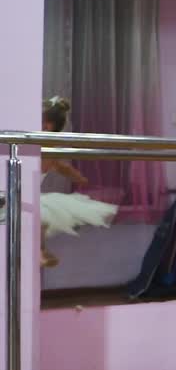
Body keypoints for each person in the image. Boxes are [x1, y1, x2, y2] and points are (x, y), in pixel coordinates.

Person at [38, 97, 118, 267]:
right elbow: (62, 168)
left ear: (47, 126)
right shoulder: (45, 148)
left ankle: (40, 251)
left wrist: (78, 177)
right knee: (40, 218)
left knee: (41, 219)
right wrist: (78, 177)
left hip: (28, 194)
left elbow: (61, 167)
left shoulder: (47, 149)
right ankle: (40, 251)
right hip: (21, 192)